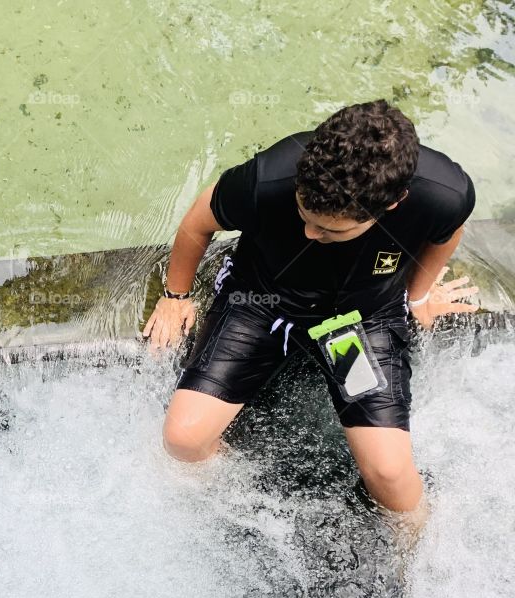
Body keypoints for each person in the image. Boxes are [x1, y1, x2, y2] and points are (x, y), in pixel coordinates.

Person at [143, 100, 479, 517]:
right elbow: (198, 222)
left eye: (328, 229)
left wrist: (420, 296)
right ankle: (251, 512)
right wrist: (177, 296)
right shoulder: (271, 175)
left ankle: (413, 567)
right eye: (305, 214)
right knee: (184, 439)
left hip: (355, 325)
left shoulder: (442, 193)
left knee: (391, 475)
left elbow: (449, 232)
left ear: (391, 205)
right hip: (261, 306)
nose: (308, 231)